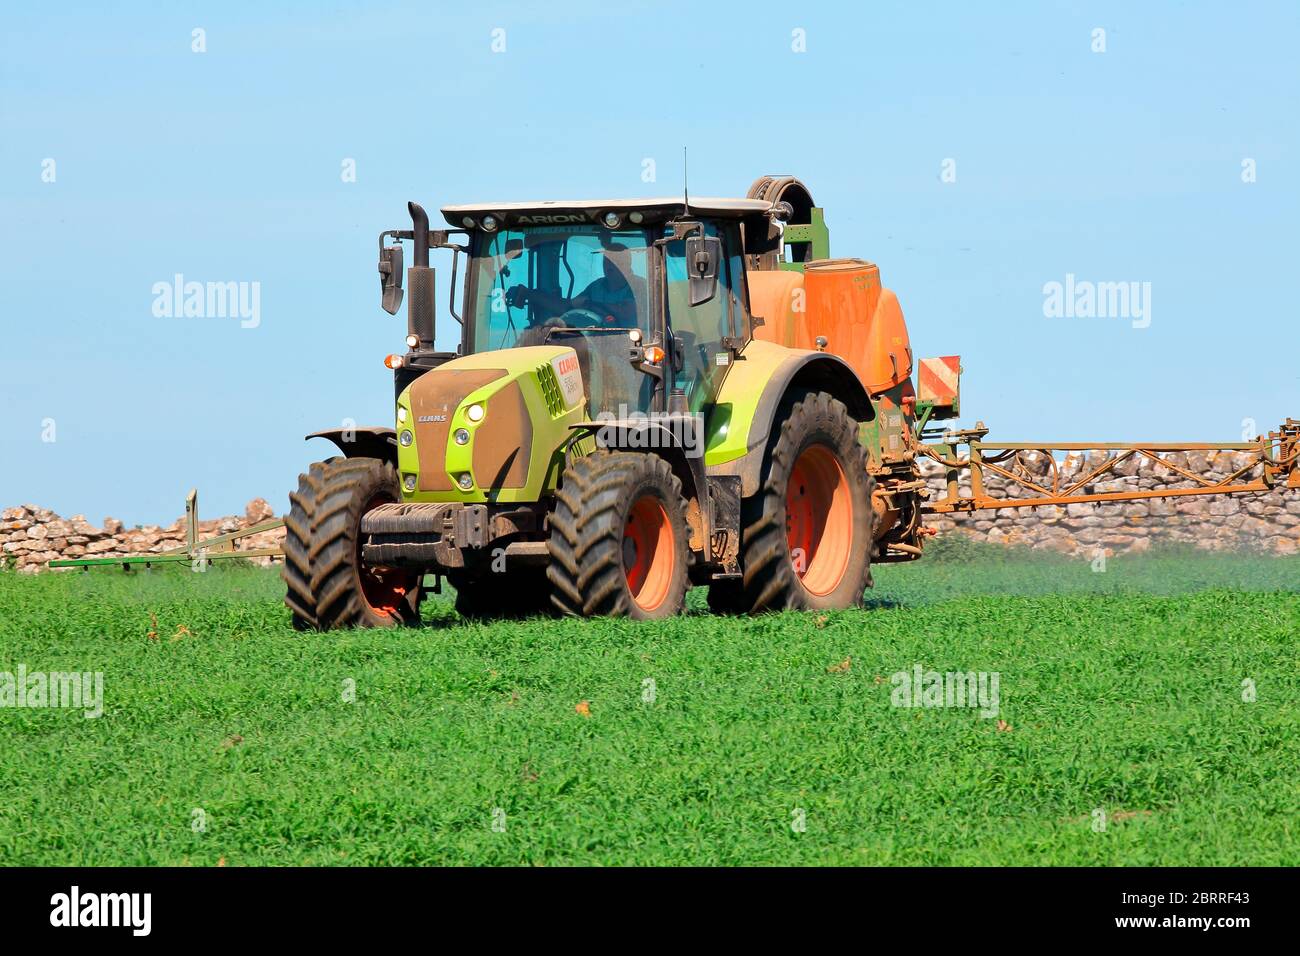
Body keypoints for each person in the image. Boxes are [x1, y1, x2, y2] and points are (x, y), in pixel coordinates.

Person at [508, 244, 639, 327]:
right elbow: (570, 306)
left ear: (627, 263)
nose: (608, 265)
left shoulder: (637, 286)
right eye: (606, 260)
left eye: (614, 261)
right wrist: (530, 294)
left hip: (626, 347)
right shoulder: (597, 287)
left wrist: (591, 305)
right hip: (597, 342)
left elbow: (625, 312)